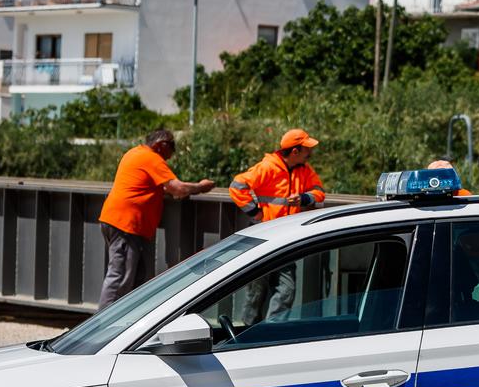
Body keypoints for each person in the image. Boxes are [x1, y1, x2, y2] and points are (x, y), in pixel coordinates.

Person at [95, 128, 214, 308]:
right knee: (120, 279)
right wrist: (201, 186)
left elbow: (148, 186)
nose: (171, 156)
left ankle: (126, 324)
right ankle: (101, 327)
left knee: (137, 278)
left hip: (117, 220)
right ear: (160, 145)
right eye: (171, 148)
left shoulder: (134, 153)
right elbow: (178, 188)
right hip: (127, 224)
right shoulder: (152, 158)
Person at [228, 129, 326, 324]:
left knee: (287, 290)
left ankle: (269, 332)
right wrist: (256, 212)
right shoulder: (268, 167)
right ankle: (244, 337)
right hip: (265, 238)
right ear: (295, 151)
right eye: (307, 149)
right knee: (256, 293)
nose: (310, 153)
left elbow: (319, 191)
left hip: (287, 239)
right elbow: (237, 186)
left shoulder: (304, 170)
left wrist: (305, 198)